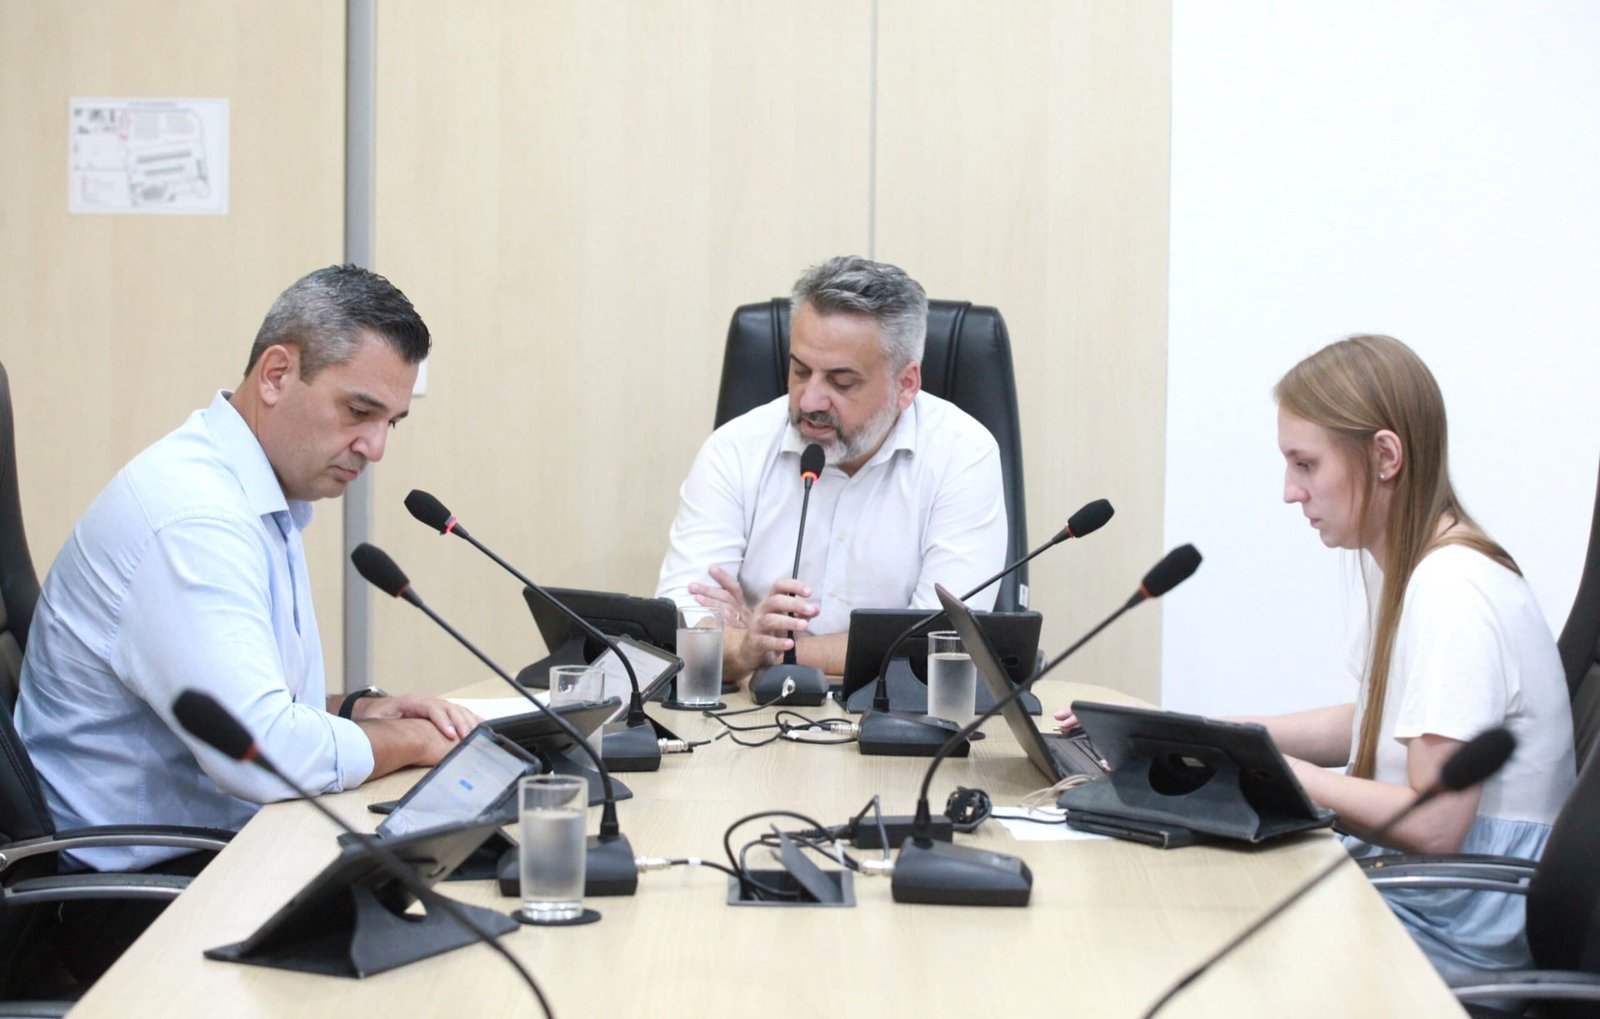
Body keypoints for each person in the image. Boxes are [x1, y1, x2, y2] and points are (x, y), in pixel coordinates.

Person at [1060, 334, 1575, 978]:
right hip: (1427, 886)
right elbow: (1375, 724)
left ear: (1385, 456)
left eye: (1306, 465)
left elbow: (1437, 825)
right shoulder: (1414, 564)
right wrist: (1199, 737)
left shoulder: (1453, 590)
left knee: (1201, 941)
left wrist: (1285, 773)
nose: (1289, 491)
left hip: (1456, 913)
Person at [16, 264, 480, 877]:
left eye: (389, 423)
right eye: (358, 411)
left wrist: (356, 712)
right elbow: (262, 755)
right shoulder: (193, 517)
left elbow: (252, 704)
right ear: (277, 375)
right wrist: (417, 741)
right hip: (137, 887)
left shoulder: (254, 493)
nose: (375, 448)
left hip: (213, 847)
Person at [656, 256, 1008, 682]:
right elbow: (680, 625)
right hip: (751, 710)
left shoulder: (962, 455)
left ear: (906, 384)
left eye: (842, 382)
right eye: (800, 371)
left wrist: (761, 648)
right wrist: (743, 644)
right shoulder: (734, 449)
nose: (810, 401)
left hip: (891, 715)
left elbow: (939, 641)